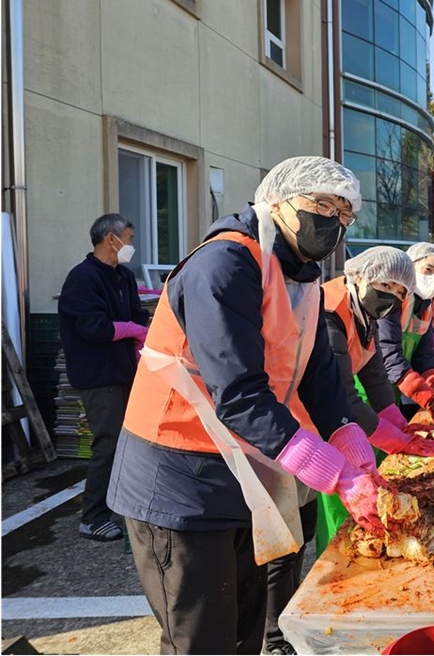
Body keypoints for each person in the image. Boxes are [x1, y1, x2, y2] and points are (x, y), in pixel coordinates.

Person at [107, 156, 389, 655]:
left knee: (245, 624)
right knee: (200, 636)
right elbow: (237, 394)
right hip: (177, 473)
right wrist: (334, 474)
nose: (332, 219)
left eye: (344, 213)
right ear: (277, 202)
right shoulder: (227, 263)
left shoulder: (301, 274)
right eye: (320, 204)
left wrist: (350, 440)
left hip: (241, 469)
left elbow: (319, 373)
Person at [314, 246, 434, 557]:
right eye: (385, 285)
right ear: (359, 275)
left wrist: (401, 425)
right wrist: (397, 440)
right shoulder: (329, 313)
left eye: (400, 290)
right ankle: (335, 568)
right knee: (344, 501)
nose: (391, 295)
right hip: (322, 419)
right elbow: (342, 397)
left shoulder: (366, 310)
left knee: (367, 488)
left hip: (346, 413)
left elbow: (375, 374)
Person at [58, 213, 150, 542]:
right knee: (108, 445)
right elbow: (94, 329)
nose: (132, 244)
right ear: (111, 239)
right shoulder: (82, 279)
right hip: (99, 377)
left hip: (125, 371)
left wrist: (144, 341)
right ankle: (93, 517)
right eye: (129, 237)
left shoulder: (123, 276)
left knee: (130, 444)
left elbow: (138, 314)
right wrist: (136, 330)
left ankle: (122, 506)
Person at [377, 242, 434, 427]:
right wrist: (429, 400)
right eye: (428, 270)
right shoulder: (391, 302)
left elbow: (423, 356)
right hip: (365, 389)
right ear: (410, 266)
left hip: (394, 389)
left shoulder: (425, 307)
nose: (433, 278)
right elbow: (390, 356)